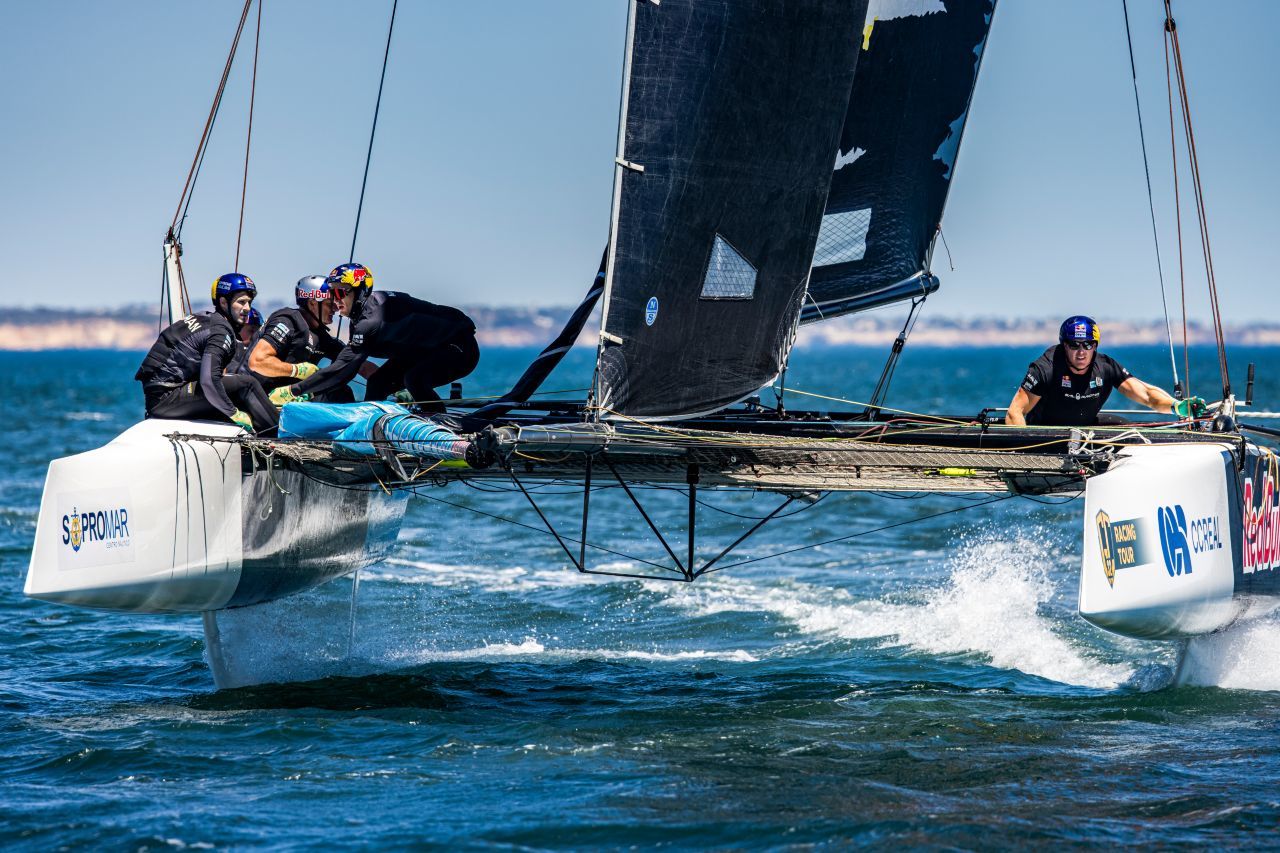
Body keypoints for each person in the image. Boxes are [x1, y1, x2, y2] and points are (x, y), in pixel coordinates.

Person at [275, 263, 479, 412]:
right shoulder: (362, 315)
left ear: (360, 292)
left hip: (459, 347)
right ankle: (371, 436)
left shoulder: (370, 322)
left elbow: (342, 371)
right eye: (332, 294)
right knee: (378, 383)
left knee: (414, 379)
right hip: (424, 350)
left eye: (340, 294)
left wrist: (294, 390)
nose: (335, 301)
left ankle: (444, 436)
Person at [134, 273, 279, 435]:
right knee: (247, 385)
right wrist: (233, 413)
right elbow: (209, 380)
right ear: (224, 302)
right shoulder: (220, 332)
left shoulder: (205, 318)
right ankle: (283, 437)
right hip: (166, 399)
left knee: (238, 393)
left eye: (249, 303)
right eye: (241, 302)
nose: (247, 308)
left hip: (160, 397)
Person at [1005, 315, 1207, 427]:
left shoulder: (1105, 367)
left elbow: (1146, 395)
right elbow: (1015, 412)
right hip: (1044, 435)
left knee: (1133, 434)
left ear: (1095, 346)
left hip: (1085, 429)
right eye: (1074, 345)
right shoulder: (1045, 368)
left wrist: (1177, 406)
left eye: (1088, 345)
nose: (1082, 352)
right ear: (1063, 345)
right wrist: (1023, 454)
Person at [242, 275, 358, 403]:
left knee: (341, 392)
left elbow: (357, 361)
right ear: (312, 303)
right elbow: (258, 361)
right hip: (256, 397)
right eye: (330, 304)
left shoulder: (320, 335)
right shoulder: (288, 321)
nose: (335, 309)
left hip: (286, 400)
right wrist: (298, 370)